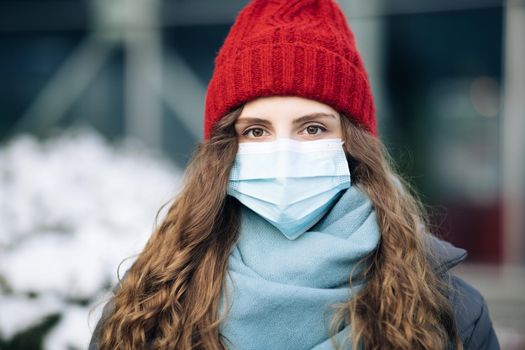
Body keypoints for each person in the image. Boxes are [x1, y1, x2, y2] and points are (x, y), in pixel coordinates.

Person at [88, 0, 500, 349]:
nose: (282, 154)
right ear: (223, 151)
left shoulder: (449, 314)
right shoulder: (149, 307)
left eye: (312, 128)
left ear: (352, 145)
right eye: (256, 130)